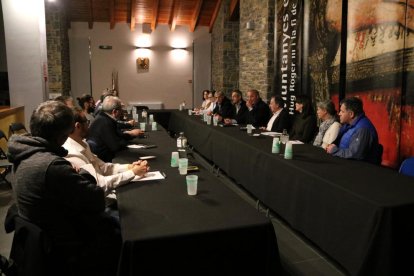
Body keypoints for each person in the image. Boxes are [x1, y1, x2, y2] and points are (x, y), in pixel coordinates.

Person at [7, 101, 121, 275]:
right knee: (122, 223)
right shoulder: (52, 165)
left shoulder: (23, 154)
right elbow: (97, 199)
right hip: (65, 243)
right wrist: (82, 171)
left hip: (42, 240)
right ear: (63, 135)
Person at [63, 107, 149, 195]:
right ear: (78, 126)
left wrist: (129, 167)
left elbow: (103, 167)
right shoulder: (71, 153)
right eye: (86, 122)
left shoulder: (82, 143)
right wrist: (133, 173)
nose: (89, 125)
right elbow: (100, 184)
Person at [326, 97, 382, 164]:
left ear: (351, 114)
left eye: (342, 111)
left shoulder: (363, 129)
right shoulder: (348, 124)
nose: (339, 114)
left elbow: (356, 155)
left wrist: (335, 151)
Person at [87, 96, 143, 162]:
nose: (122, 112)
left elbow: (117, 136)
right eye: (121, 110)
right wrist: (129, 137)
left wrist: (131, 134)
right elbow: (115, 146)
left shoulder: (102, 117)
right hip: (104, 160)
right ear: (114, 112)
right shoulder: (106, 122)